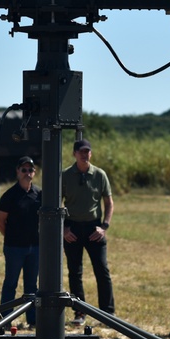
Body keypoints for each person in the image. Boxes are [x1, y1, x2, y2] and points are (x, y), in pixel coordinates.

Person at [61, 138, 114, 325]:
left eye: (87, 151)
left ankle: (107, 313)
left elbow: (108, 203)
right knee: (75, 272)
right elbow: (56, 204)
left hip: (94, 228)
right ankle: (79, 312)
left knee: (102, 270)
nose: (85, 155)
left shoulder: (99, 175)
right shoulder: (65, 175)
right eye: (81, 151)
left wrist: (104, 227)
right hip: (72, 228)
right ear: (74, 154)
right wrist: (63, 229)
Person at [0, 156, 41, 327]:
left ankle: (33, 319)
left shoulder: (39, 194)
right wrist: (11, 237)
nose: (27, 173)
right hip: (14, 247)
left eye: (30, 170)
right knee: (10, 283)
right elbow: (1, 222)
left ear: (34, 173)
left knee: (32, 285)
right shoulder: (9, 196)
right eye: (24, 170)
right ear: (17, 172)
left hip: (35, 248)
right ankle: (6, 319)